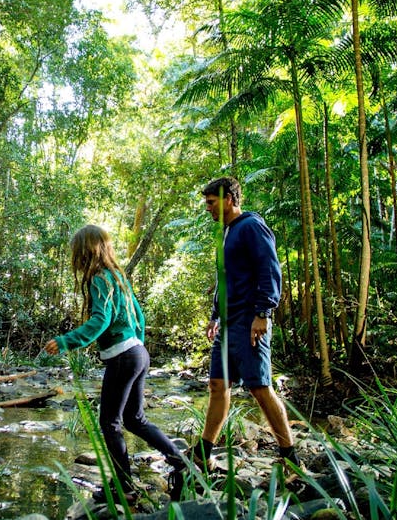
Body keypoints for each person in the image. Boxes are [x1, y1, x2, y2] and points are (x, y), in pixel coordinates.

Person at [44, 224, 185, 503]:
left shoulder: (99, 279)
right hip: (137, 353)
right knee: (134, 419)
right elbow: (140, 318)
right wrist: (139, 347)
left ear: (86, 251)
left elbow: (100, 320)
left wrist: (66, 341)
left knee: (110, 422)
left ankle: (125, 487)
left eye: (77, 251)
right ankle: (180, 462)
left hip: (123, 357)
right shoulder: (118, 276)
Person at [190, 177, 300, 471]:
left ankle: (289, 456)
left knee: (259, 387)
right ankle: (204, 451)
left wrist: (263, 313)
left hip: (249, 320)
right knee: (217, 384)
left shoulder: (251, 226)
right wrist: (214, 315)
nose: (208, 209)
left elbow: (269, 268)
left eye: (211, 203)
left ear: (229, 199)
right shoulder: (225, 233)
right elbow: (224, 279)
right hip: (227, 323)